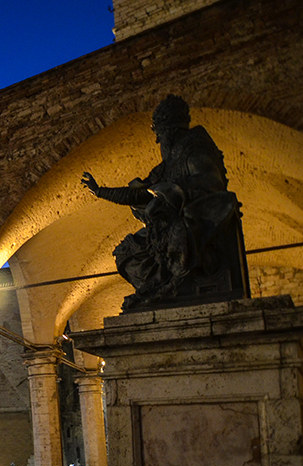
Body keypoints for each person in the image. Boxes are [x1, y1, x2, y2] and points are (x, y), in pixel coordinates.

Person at [82, 94, 244, 312]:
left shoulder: (195, 148)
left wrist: (173, 192)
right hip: (165, 223)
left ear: (172, 130)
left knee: (176, 238)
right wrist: (100, 191)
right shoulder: (166, 165)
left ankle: (171, 287)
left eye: (160, 134)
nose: (158, 141)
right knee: (126, 253)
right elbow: (138, 194)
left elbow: (211, 182)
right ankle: (156, 288)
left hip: (194, 218)